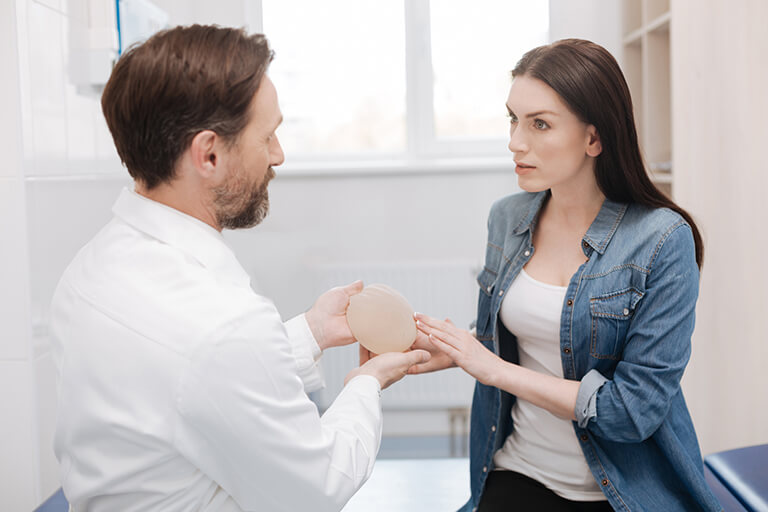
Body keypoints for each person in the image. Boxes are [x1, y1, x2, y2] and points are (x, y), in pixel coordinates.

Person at [48, 25, 429, 512]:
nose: (279, 155)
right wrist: (367, 383)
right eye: (267, 136)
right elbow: (316, 487)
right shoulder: (222, 324)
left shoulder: (92, 268)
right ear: (208, 154)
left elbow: (189, 386)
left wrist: (312, 331)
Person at [410, 39, 721, 511]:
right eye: (513, 119)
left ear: (594, 139)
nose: (516, 141)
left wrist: (495, 370)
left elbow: (634, 412)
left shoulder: (661, 240)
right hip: (520, 470)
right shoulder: (507, 218)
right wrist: (456, 350)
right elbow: (529, 336)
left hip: (623, 492)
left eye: (540, 124)